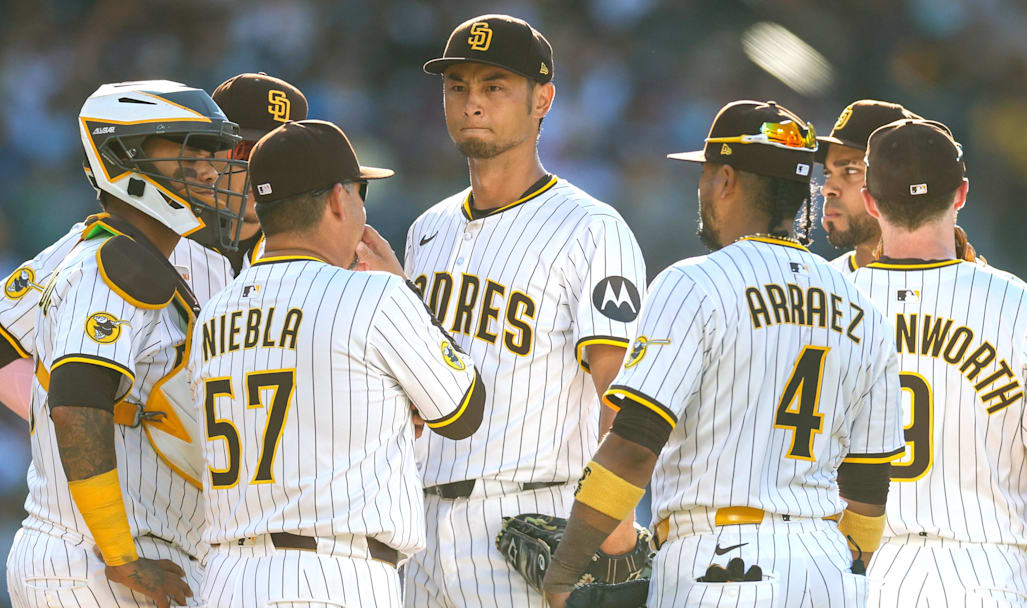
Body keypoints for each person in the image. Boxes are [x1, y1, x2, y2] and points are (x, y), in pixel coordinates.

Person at [544, 100, 905, 607]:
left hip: (719, 561)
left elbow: (634, 446)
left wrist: (564, 570)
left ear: (727, 180)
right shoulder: (863, 309)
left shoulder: (694, 283)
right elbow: (868, 486)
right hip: (827, 568)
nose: (703, 189)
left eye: (706, 175)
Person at [401, 14, 648, 607]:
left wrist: (606, 532)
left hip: (529, 518)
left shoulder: (592, 228)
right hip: (418, 525)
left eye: (493, 86)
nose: (471, 103)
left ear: (543, 99)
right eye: (457, 86)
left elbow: (619, 394)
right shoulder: (425, 230)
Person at [189, 119, 485, 607]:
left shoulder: (213, 313)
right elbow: (462, 411)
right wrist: (405, 286)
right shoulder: (375, 296)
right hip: (335, 574)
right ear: (336, 200)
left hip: (227, 577)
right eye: (359, 192)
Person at [2, 80, 247, 608]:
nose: (208, 169)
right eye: (187, 150)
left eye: (210, 153)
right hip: (96, 563)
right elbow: (73, 408)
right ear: (124, 155)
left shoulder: (143, 258)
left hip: (132, 556)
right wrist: (121, 555)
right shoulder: (112, 263)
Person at [852, 119, 1027, 607]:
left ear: (871, 202)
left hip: (856, 573)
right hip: (986, 574)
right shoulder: (1021, 308)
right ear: (960, 193)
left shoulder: (834, 307)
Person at [210, 72, 309, 274]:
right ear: (208, 148)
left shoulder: (305, 263)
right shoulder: (165, 244)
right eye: (247, 151)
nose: (265, 170)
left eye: (281, 157)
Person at [818, 100, 921, 274]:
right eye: (828, 173)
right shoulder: (816, 285)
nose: (827, 189)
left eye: (850, 171)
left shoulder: (970, 287)